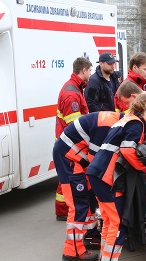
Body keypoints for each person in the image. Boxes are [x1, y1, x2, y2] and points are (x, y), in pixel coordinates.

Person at [53, 81, 144, 261]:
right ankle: (72, 251)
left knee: (84, 202)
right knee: (78, 204)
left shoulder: (115, 121)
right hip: (69, 158)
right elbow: (98, 161)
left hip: (75, 158)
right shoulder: (108, 126)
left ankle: (82, 242)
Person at [87, 93, 146, 261]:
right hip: (108, 177)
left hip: (98, 173)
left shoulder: (125, 120)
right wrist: (143, 168)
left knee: (109, 221)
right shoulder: (137, 124)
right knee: (117, 223)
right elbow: (127, 150)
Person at [54, 57, 93, 222]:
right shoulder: (72, 93)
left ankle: (63, 209)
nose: (91, 74)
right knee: (69, 178)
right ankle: (64, 210)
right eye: (90, 70)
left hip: (68, 144)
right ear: (83, 70)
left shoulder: (76, 88)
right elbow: (74, 126)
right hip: (70, 144)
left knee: (66, 177)